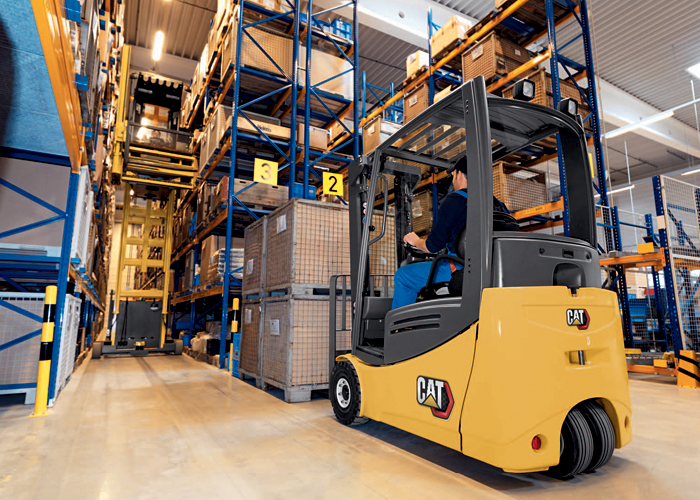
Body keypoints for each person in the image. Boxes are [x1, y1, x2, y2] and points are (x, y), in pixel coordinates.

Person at [391, 157, 509, 309]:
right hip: (492, 269)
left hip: (461, 268)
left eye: (453, 176)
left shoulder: (454, 200)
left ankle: (400, 329)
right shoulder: (498, 205)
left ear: (459, 174)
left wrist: (415, 240)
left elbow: (432, 246)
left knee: (403, 276)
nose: (453, 181)